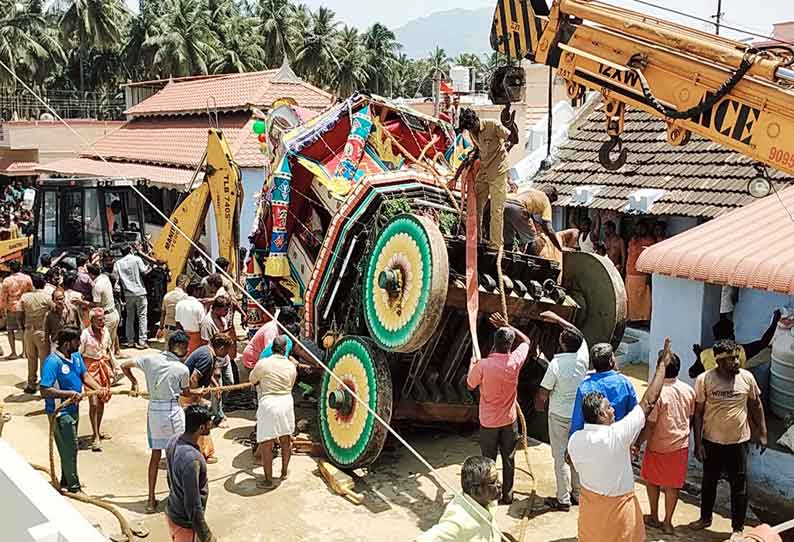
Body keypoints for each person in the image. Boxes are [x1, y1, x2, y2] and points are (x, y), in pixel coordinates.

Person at [568, 339, 673, 542]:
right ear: (600, 414)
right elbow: (648, 401)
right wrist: (662, 364)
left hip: (590, 512)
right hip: (619, 512)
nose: (612, 410)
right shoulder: (617, 435)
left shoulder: (575, 442)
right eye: (608, 408)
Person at [689, 339, 768, 537]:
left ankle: (737, 528)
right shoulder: (704, 379)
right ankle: (705, 518)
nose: (736, 362)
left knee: (739, 486)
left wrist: (763, 433)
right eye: (731, 359)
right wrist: (698, 443)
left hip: (739, 442)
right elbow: (697, 413)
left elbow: (756, 405)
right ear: (719, 361)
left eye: (736, 357)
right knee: (709, 482)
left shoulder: (747, 378)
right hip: (711, 441)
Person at [122, 330, 198, 514]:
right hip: (172, 410)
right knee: (176, 456)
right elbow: (186, 392)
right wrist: (199, 392)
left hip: (154, 410)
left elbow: (125, 365)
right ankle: (177, 497)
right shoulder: (182, 369)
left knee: (156, 456)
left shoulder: (149, 359)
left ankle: (150, 499)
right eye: (186, 347)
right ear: (179, 347)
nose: (188, 350)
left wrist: (134, 382)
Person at [466, 312, 531, 505]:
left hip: (488, 422)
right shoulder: (515, 361)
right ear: (510, 346)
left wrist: (472, 366)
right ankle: (508, 495)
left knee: (488, 461)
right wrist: (508, 324)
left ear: (494, 343)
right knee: (509, 458)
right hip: (509, 421)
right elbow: (526, 340)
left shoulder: (483, 365)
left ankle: (489, 496)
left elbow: (470, 385)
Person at [39, 327, 108, 493]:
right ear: (67, 343)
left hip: (73, 409)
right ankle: (74, 486)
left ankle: (66, 479)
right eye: (77, 341)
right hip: (59, 413)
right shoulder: (52, 362)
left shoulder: (76, 357)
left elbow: (85, 376)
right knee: (70, 447)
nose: (80, 344)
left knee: (68, 447)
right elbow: (44, 390)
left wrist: (99, 388)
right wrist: (68, 393)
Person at [633, 352, 695, 535]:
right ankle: (668, 522)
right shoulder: (688, 390)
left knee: (652, 481)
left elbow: (651, 425)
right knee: (672, 486)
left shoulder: (657, 393)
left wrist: (638, 442)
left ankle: (654, 515)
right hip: (679, 445)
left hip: (657, 445)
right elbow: (690, 418)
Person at [534, 311, 588, 511]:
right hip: (578, 415)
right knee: (574, 454)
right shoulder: (583, 357)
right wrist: (557, 319)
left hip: (558, 415)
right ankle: (577, 493)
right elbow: (579, 334)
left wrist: (538, 407)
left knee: (559, 457)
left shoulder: (556, 364)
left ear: (563, 344)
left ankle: (563, 499)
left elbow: (543, 392)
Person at [458, 107, 518, 249]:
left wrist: (510, 124)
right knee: (475, 206)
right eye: (469, 130)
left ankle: (495, 245)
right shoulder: (472, 132)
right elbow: (479, 149)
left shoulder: (493, 125)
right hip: (485, 171)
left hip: (498, 171)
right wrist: (469, 160)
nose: (472, 131)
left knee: (496, 211)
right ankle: (476, 239)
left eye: (473, 127)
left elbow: (514, 139)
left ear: (477, 120)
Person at [249, 336, 298, 488]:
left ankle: (268, 480)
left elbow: (252, 379)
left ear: (272, 349)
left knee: (266, 443)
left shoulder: (263, 363)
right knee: (286, 440)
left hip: (269, 403)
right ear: (285, 350)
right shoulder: (291, 366)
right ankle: (283, 472)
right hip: (286, 402)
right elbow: (292, 384)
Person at [416, 456, 502, 542]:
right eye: (493, 482)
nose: (499, 484)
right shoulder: (458, 519)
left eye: (497, 479)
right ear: (476, 489)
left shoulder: (487, 499)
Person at [165, 404, 216, 542]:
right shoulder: (192, 459)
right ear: (201, 428)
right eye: (209, 423)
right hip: (185, 523)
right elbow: (192, 505)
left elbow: (169, 479)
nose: (211, 424)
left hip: (172, 511)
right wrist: (206, 536)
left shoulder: (173, 440)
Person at [183, 333, 234, 463]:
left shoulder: (207, 352)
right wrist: (196, 396)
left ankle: (204, 452)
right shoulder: (207, 356)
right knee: (199, 426)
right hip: (190, 395)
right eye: (227, 350)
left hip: (191, 393)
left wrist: (215, 385)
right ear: (221, 348)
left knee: (201, 425)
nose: (227, 353)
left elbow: (205, 372)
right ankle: (201, 454)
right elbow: (194, 378)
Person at [569, 343, 639, 435]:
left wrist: (573, 441)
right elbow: (634, 415)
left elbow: (577, 422)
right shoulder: (624, 383)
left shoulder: (584, 387)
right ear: (611, 361)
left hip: (593, 440)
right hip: (619, 437)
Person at [690, 311, 781, 379]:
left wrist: (699, 357)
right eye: (732, 332)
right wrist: (775, 321)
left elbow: (692, 373)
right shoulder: (739, 351)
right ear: (730, 336)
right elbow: (763, 342)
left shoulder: (705, 354)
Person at [80, 308, 115, 451]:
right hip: (90, 369)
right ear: (92, 320)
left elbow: (108, 349)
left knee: (101, 401)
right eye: (99, 319)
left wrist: (112, 367)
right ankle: (95, 436)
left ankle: (98, 430)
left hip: (103, 367)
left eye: (103, 319)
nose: (102, 322)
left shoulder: (106, 332)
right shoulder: (85, 335)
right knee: (93, 402)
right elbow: (79, 354)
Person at [200, 295, 234, 426]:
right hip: (214, 360)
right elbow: (205, 344)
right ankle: (218, 415)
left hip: (224, 357)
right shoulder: (207, 323)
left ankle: (218, 408)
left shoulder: (223, 319)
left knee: (229, 383)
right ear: (216, 309)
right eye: (225, 310)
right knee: (217, 388)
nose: (226, 313)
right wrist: (213, 366)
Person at [19, 273, 53, 394]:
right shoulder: (47, 297)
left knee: (31, 358)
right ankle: (45, 386)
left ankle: (31, 384)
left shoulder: (25, 297)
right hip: (42, 331)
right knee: (45, 360)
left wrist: (23, 326)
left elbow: (20, 313)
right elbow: (53, 311)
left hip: (28, 330)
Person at [503, 186, 562, 255]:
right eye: (551, 202)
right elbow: (549, 229)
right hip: (518, 207)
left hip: (505, 205)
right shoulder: (545, 200)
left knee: (508, 239)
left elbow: (529, 214)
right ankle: (530, 261)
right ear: (551, 197)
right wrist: (559, 248)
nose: (551, 204)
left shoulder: (530, 191)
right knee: (532, 238)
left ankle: (506, 259)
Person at [114, 245, 150, 349]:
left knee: (129, 317)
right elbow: (144, 271)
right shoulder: (137, 259)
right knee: (142, 316)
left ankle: (130, 341)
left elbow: (115, 278)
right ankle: (142, 341)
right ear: (130, 250)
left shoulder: (118, 263)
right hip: (140, 292)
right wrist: (150, 265)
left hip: (128, 294)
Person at [625, 221, 657, 323]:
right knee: (630, 299)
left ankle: (641, 320)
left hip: (641, 274)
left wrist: (648, 275)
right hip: (630, 273)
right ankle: (632, 318)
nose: (639, 230)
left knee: (641, 299)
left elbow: (651, 259)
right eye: (638, 228)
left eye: (641, 228)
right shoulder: (633, 239)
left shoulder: (649, 241)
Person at [2, 259, 33, 361]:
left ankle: (13, 352)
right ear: (20, 267)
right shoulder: (27, 278)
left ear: (10, 269)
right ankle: (24, 352)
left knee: (10, 329)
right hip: (24, 307)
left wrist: (2, 308)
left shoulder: (7, 281)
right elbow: (31, 292)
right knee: (23, 329)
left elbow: (3, 297)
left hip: (11, 307)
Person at [88, 263, 120, 357]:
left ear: (91, 274)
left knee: (104, 346)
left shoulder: (97, 286)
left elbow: (96, 305)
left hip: (106, 317)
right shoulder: (105, 277)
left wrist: (82, 302)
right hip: (114, 313)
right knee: (111, 346)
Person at [176, 281, 206, 354]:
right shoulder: (198, 305)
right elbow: (203, 325)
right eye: (200, 290)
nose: (202, 293)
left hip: (183, 336)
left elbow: (177, 323)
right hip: (197, 338)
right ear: (195, 291)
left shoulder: (179, 304)